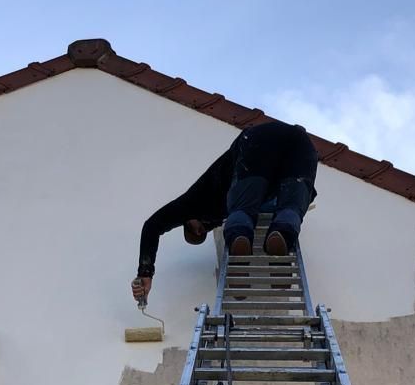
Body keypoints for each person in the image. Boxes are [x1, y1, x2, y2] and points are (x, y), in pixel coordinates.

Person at [131, 118, 318, 304]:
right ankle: (282, 235)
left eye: (194, 229)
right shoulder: (217, 214)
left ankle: (241, 237)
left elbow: (152, 226)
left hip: (256, 144)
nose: (200, 230)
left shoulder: (194, 200)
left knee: (243, 209)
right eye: (202, 234)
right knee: (291, 206)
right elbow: (306, 194)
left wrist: (145, 272)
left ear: (188, 218)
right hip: (301, 144)